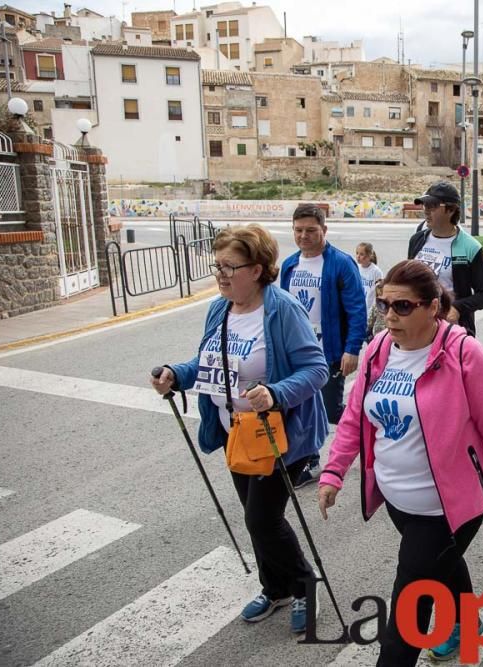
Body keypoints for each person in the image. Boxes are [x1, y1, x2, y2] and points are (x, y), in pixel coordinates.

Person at [318, 260, 483, 665]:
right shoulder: (378, 350)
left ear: (432, 307)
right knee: (443, 563)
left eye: (402, 307)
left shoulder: (464, 353)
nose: (389, 316)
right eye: (384, 305)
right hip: (399, 500)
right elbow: (355, 416)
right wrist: (334, 471)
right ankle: (466, 621)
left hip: (447, 507)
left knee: (407, 612)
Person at [150, 224, 329, 633]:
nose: (222, 275)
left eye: (231, 266)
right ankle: (276, 587)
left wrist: (277, 392)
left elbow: (317, 369)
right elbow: (207, 365)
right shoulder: (220, 308)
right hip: (236, 432)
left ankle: (306, 587)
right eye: (218, 266)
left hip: (277, 434)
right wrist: (175, 374)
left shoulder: (281, 309)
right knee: (255, 518)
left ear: (259, 268)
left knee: (262, 520)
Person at [281, 204, 368, 487]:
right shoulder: (290, 265)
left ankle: (367, 429)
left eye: (310, 230)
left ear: (324, 230)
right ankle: (310, 460)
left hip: (329, 351)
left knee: (330, 409)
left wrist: (352, 349)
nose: (303, 236)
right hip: (296, 352)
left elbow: (357, 310)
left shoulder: (340, 263)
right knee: (300, 408)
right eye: (298, 230)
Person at [408, 181, 483, 336]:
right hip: (417, 325)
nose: (426, 211)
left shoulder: (470, 247)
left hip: (451, 330)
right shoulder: (417, 240)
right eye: (424, 205)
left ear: (451, 209)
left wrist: (458, 308)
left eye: (432, 205)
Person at [356, 242, 384, 331]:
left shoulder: (376, 271)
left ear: (369, 256)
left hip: (369, 310)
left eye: (361, 254)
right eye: (357, 253)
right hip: (358, 308)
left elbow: (379, 292)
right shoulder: (356, 268)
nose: (358, 256)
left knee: (368, 336)